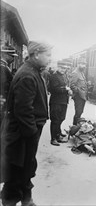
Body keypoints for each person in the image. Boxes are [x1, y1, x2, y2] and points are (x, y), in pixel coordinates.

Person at [0, 41, 52, 206]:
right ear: (36, 54)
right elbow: (23, 110)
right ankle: (12, 201)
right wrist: (32, 134)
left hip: (25, 133)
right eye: (48, 55)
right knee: (16, 172)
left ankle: (26, 199)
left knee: (26, 168)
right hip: (22, 135)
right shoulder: (28, 75)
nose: (50, 59)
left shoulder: (33, 71)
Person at [49, 61, 73, 146]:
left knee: (61, 118)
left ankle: (58, 134)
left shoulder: (64, 76)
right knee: (55, 120)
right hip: (56, 101)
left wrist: (69, 91)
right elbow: (53, 89)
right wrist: (65, 89)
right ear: (58, 67)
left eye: (65, 68)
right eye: (62, 68)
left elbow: (66, 86)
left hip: (63, 101)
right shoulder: (54, 76)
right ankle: (53, 138)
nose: (63, 70)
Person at [0, 44, 18, 127]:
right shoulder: (2, 68)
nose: (13, 59)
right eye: (12, 56)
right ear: (4, 54)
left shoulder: (5, 67)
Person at [70, 57, 88, 125]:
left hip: (82, 97)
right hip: (78, 96)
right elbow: (72, 85)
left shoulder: (81, 73)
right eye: (82, 64)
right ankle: (74, 128)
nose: (83, 66)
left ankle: (76, 128)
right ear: (78, 64)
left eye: (84, 64)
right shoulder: (75, 73)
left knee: (80, 112)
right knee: (78, 113)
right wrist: (80, 91)